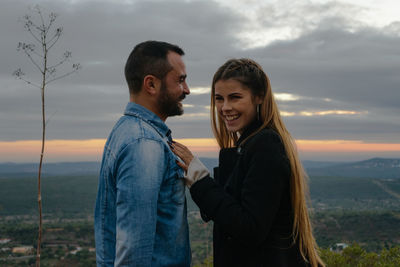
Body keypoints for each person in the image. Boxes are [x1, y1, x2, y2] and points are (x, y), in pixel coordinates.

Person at [170, 58, 325, 267]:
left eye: (235, 98)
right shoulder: (248, 146)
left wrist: (200, 180)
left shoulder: (265, 145)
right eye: (219, 99)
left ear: (259, 96)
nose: (225, 108)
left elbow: (249, 228)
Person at [94, 40, 191, 266]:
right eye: (181, 80)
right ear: (151, 85)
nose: (187, 90)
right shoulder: (144, 143)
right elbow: (134, 248)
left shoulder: (125, 130)